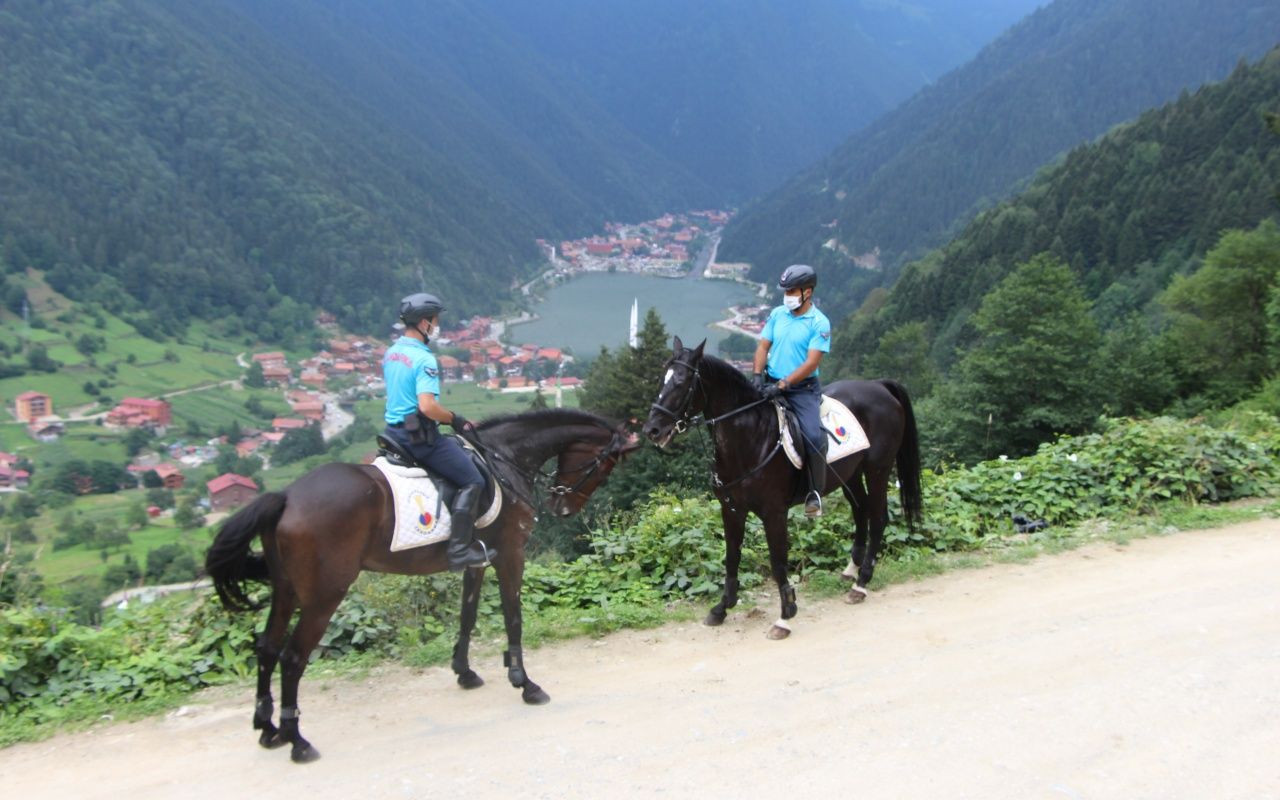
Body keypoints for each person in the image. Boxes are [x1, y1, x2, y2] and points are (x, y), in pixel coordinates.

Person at [382, 292, 491, 570]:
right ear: (424, 322)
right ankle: (459, 552)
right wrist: (454, 419)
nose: (437, 325)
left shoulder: (392, 352)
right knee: (473, 480)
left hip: (393, 433)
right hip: (419, 439)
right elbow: (428, 407)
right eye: (435, 320)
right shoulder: (424, 359)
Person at [751, 264, 831, 517]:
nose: (787, 296)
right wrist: (756, 375)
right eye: (785, 291)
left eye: (792, 291)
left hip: (801, 390)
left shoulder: (819, 323)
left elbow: (811, 363)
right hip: (770, 382)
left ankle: (814, 493)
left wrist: (783, 385)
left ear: (808, 292)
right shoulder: (777, 314)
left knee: (814, 437)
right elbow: (763, 347)